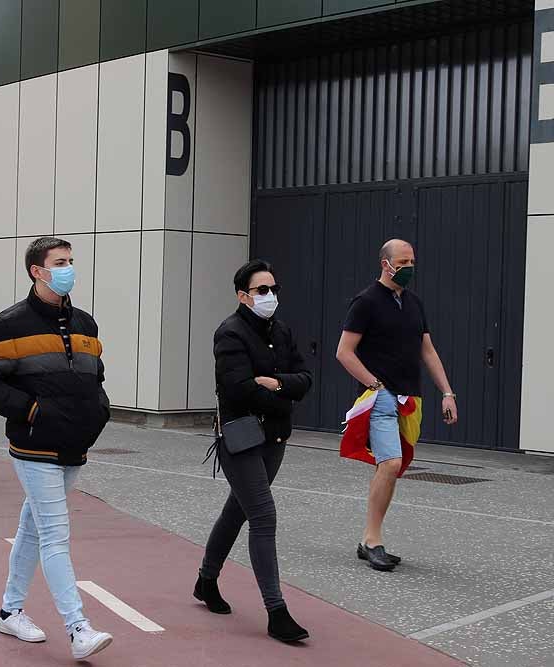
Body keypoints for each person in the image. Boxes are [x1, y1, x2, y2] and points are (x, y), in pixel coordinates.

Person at [0, 238, 113, 661]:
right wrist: (32, 411)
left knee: (33, 527)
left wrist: (97, 413)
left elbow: (96, 377)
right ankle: (78, 628)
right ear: (37, 271)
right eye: (60, 262)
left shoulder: (86, 323)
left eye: (70, 261)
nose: (68, 268)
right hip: (34, 447)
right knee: (55, 534)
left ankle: (9, 610)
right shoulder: (10, 323)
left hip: (74, 445)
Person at [194, 259, 312, 643]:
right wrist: (282, 392)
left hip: (274, 436)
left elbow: (305, 379)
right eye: (262, 290)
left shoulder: (282, 329)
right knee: (263, 516)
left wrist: (275, 384)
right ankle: (276, 611)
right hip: (241, 438)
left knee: (238, 511)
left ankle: (205, 581)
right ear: (242, 295)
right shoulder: (229, 333)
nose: (270, 296)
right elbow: (238, 389)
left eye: (274, 289)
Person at [336, 239, 458, 572]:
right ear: (385, 264)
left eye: (412, 261)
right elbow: (344, 352)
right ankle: (373, 541)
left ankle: (367, 539)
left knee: (392, 467)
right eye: (402, 262)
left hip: (410, 398)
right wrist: (375, 385)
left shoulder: (415, 304)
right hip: (382, 397)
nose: (409, 268)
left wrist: (447, 393)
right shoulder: (365, 302)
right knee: (389, 464)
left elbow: (428, 351)